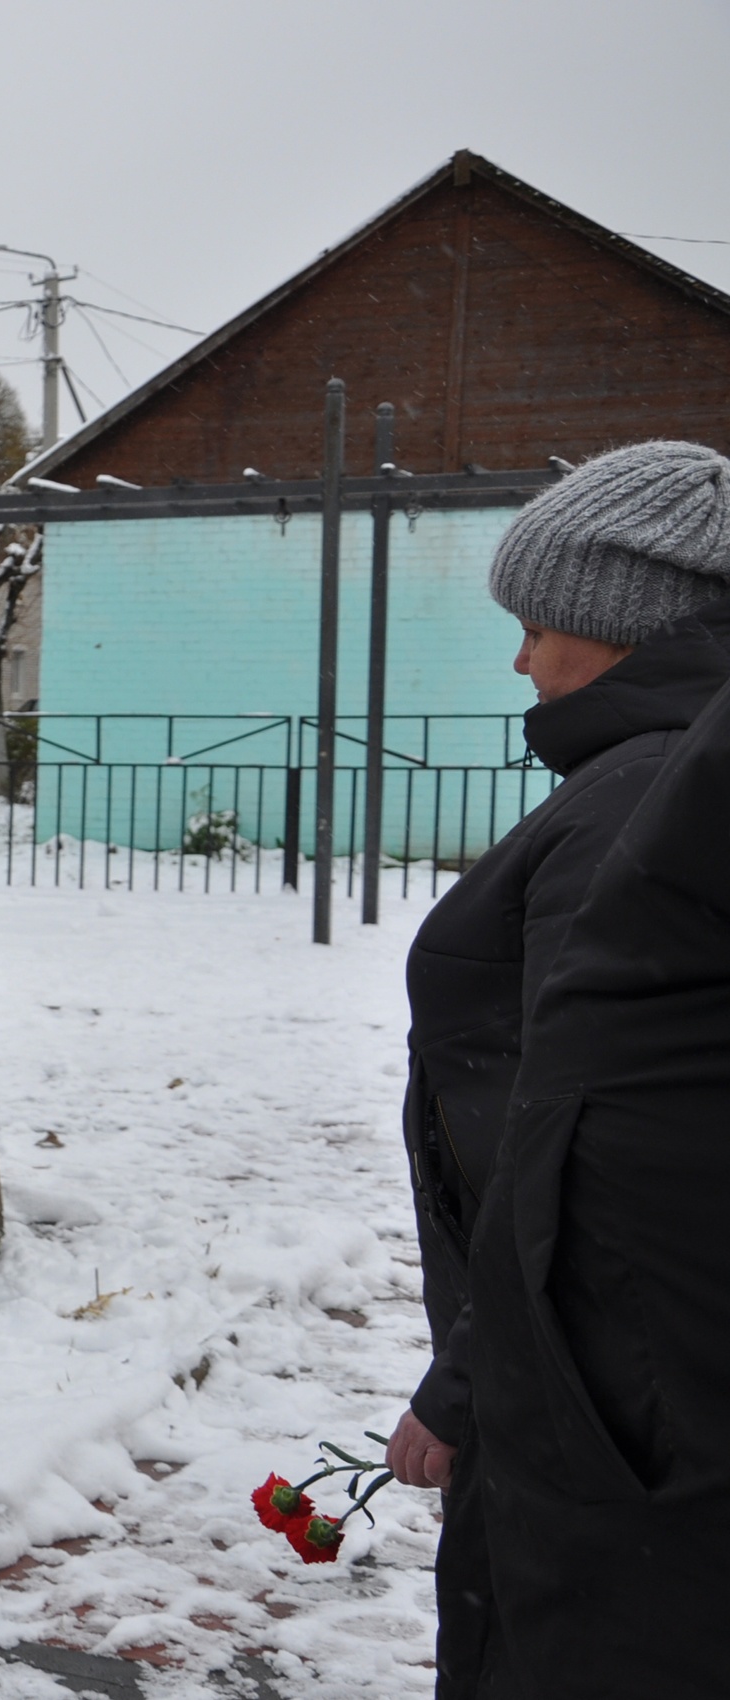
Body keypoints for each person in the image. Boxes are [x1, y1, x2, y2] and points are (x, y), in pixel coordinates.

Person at [385, 442, 730, 1696]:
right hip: (601, 1375)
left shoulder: (643, 805)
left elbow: (572, 1140)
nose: (520, 659)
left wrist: (466, 1382)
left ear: (621, 619)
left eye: (535, 623)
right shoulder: (654, 777)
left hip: (591, 1396)